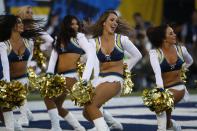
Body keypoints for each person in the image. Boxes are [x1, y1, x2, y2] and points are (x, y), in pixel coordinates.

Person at [83, 10, 142, 131]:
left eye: (116, 21)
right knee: (86, 112)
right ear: (103, 23)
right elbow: (90, 63)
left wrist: (126, 69)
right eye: (112, 20)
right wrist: (85, 80)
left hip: (115, 78)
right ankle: (113, 124)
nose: (115, 23)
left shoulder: (122, 39)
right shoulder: (94, 42)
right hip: (100, 79)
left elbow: (138, 55)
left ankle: (103, 129)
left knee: (91, 106)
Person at [45, 15, 95, 131]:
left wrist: (84, 58)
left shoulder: (79, 37)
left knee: (48, 98)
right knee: (57, 105)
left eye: (77, 24)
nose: (75, 26)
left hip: (73, 75)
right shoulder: (59, 38)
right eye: (72, 24)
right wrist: (49, 72)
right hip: (60, 76)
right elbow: (53, 57)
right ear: (66, 25)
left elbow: (90, 51)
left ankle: (56, 127)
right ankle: (78, 127)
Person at [147, 24, 193, 131]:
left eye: (174, 32)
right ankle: (173, 126)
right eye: (171, 33)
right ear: (164, 39)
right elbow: (157, 73)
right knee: (166, 120)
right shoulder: (155, 53)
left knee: (160, 107)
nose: (175, 35)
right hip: (164, 89)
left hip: (178, 88)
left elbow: (190, 61)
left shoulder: (181, 50)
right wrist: (160, 92)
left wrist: (182, 70)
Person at [0, 14, 41, 131]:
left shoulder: (29, 42)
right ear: (12, 26)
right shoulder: (4, 44)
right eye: (18, 22)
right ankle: (20, 123)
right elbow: (5, 66)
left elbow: (28, 61)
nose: (21, 24)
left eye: (22, 22)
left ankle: (24, 116)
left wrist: (29, 75)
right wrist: (6, 84)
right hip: (8, 81)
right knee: (3, 111)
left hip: (23, 78)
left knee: (9, 105)